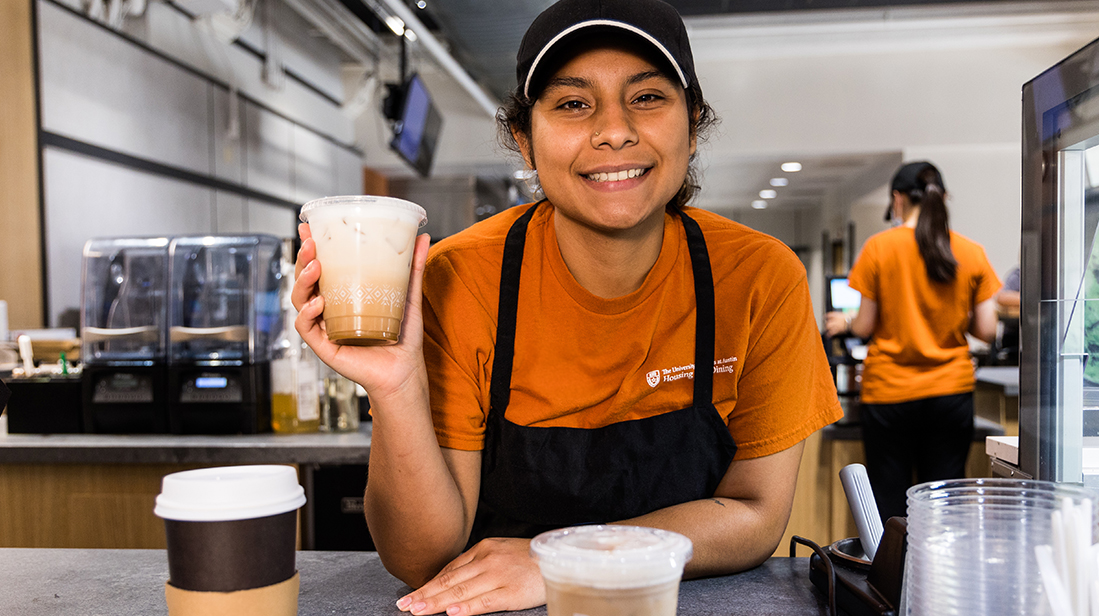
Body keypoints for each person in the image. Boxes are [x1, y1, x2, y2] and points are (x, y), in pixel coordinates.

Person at [294, 1, 842, 614]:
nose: (614, 131)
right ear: (525, 141)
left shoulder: (759, 278)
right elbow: (421, 559)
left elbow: (757, 514)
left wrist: (577, 558)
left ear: (692, 123)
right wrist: (395, 390)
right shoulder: (462, 279)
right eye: (574, 103)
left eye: (647, 97)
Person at [824, 161, 1001, 522]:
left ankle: (893, 577)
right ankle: (940, 578)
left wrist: (845, 321)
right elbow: (987, 330)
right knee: (945, 503)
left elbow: (865, 325)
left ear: (898, 199)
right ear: (943, 198)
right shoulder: (970, 252)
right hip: (950, 393)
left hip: (890, 394)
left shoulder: (879, 248)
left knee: (889, 502)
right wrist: (947, 313)